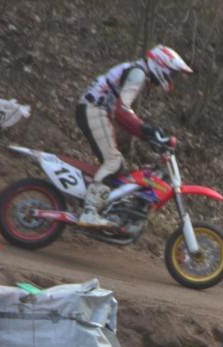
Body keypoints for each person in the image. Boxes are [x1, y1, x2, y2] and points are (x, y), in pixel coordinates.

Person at [75, 45, 192, 228]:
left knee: (119, 165)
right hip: (93, 109)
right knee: (113, 161)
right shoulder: (138, 73)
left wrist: (148, 134)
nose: (171, 78)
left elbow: (123, 113)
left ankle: (104, 205)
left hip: (97, 110)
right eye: (171, 73)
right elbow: (122, 111)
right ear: (160, 65)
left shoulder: (137, 71)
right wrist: (147, 131)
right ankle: (89, 211)